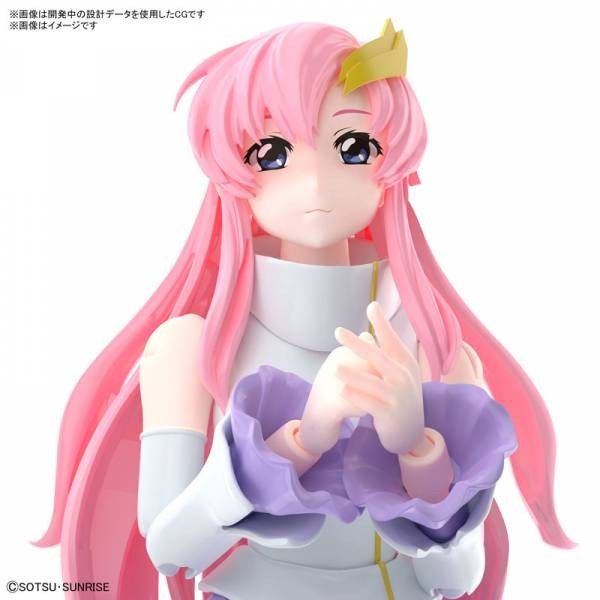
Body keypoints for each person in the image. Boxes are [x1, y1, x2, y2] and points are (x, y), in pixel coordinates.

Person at [33, 19, 574, 600]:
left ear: (393, 163)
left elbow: (456, 577)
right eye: (271, 153)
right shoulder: (190, 345)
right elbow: (171, 549)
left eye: (353, 148)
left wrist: (417, 449)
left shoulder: (434, 347)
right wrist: (300, 441)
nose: (315, 183)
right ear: (232, 172)